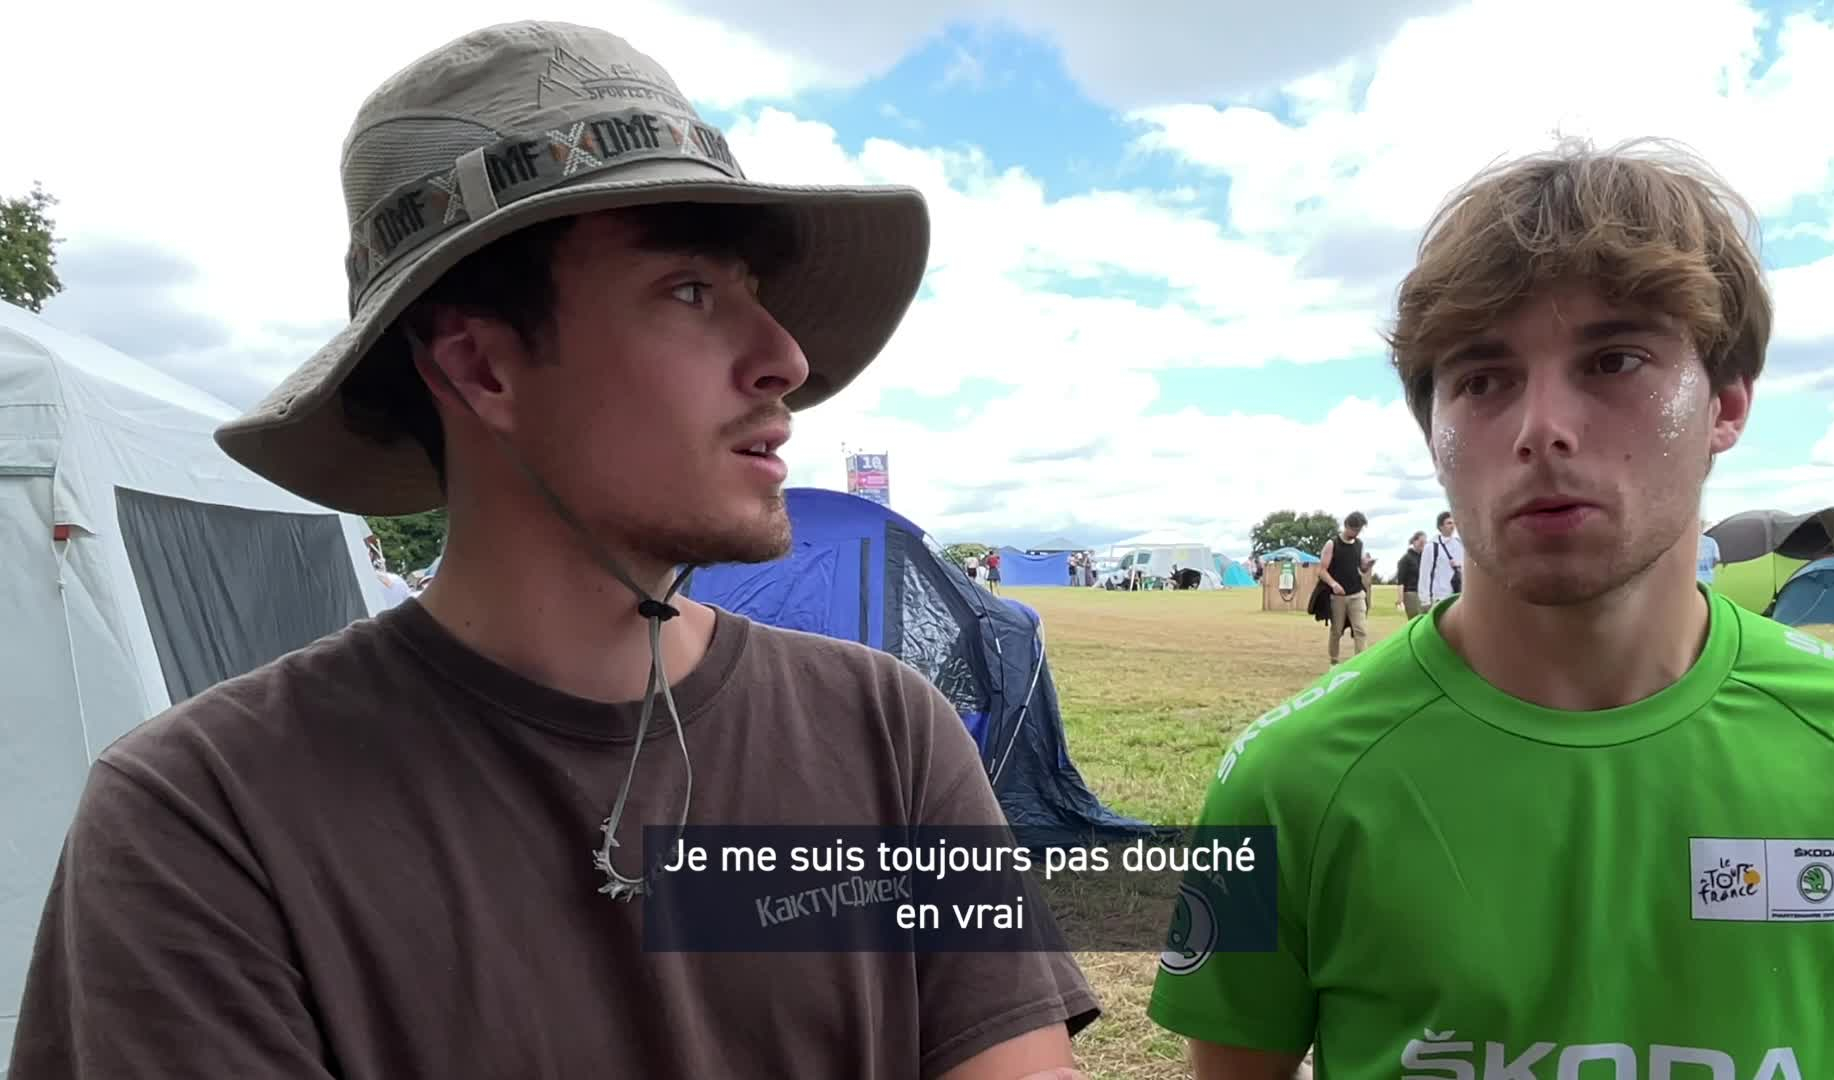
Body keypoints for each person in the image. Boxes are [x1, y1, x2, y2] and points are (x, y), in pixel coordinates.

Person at [8, 21, 1096, 1080]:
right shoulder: (204, 821)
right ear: (482, 369)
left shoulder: (886, 735)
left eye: (757, 297)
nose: (788, 360)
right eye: (690, 290)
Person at [1146, 136, 1834, 1079]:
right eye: (1481, 378)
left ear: (1726, 403)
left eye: (1615, 360)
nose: (1540, 427)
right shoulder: (1285, 781)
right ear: (1431, 429)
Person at [1316, 512, 1369, 665]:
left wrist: (1366, 566)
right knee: (1336, 631)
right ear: (1346, 526)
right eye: (1354, 529)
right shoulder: (1332, 544)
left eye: (1359, 530)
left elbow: (1361, 568)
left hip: (1357, 594)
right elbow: (1322, 570)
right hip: (1338, 596)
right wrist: (1333, 584)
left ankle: (1361, 663)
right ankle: (1334, 662)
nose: (1356, 533)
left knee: (1361, 629)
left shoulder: (1359, 545)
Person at [1417, 508, 1463, 611]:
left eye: (1453, 523)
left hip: (1458, 595)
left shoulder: (1459, 544)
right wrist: (1425, 600)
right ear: (1440, 526)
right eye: (1449, 523)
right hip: (1439, 597)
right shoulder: (1432, 546)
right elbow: (1425, 573)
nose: (1452, 526)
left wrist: (1458, 566)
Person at [1395, 531, 1427, 619]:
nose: (1423, 545)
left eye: (1425, 543)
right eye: (1421, 542)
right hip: (1411, 593)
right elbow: (1400, 580)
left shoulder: (1424, 558)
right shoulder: (1405, 559)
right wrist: (1400, 599)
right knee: (1416, 619)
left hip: (1423, 593)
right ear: (1414, 542)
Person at [1698, 517, 1722, 586]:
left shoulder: (1688, 542)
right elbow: (1716, 559)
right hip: (1707, 577)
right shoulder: (1711, 541)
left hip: (1693, 578)